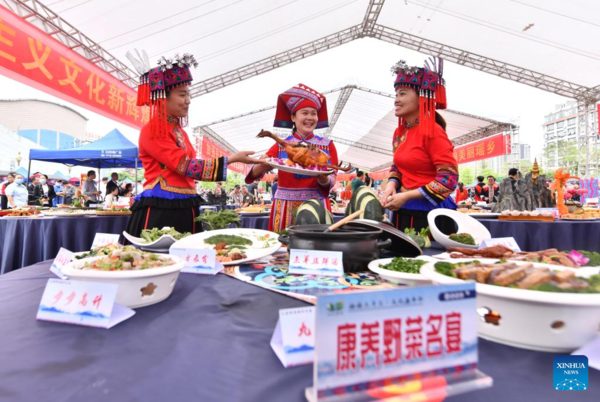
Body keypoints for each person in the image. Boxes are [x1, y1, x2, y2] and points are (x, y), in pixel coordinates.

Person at [124, 52, 261, 236]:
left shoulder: (178, 130)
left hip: (185, 203)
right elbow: (185, 166)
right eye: (182, 94)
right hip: (162, 208)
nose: (188, 100)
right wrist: (232, 159)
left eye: (189, 94)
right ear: (163, 96)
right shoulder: (153, 130)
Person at [245, 84, 340, 231]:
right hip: (285, 207)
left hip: (317, 205)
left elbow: (332, 180)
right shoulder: (281, 145)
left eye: (314, 113)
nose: (310, 118)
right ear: (293, 117)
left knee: (317, 248)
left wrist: (323, 179)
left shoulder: (328, 146)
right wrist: (263, 165)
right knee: (284, 248)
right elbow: (254, 173)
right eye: (305, 113)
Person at [379, 58, 458, 232]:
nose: (396, 100)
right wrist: (392, 185)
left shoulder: (433, 132)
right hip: (403, 208)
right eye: (396, 94)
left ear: (421, 97)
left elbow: (448, 179)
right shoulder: (400, 133)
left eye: (403, 93)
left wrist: (407, 195)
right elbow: (398, 167)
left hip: (432, 214)